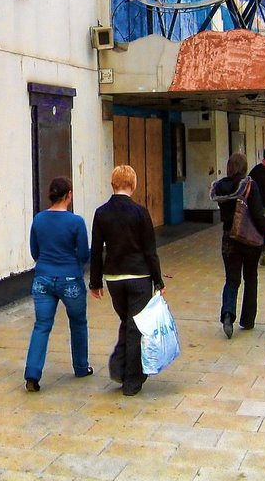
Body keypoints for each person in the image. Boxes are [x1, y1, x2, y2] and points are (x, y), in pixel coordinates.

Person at [90, 165, 165, 396]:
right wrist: (158, 280)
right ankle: (131, 379)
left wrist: (95, 282)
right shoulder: (140, 213)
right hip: (139, 276)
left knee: (127, 321)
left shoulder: (101, 213)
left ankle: (120, 365)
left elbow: (96, 251)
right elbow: (150, 250)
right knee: (135, 327)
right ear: (133, 184)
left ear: (112, 184)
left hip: (114, 278)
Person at [23, 176, 94, 392]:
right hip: (70, 279)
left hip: (42, 278)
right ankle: (81, 367)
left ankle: (32, 374)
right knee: (78, 322)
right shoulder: (76, 222)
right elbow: (83, 254)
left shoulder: (39, 219)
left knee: (42, 325)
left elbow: (35, 252)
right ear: (69, 195)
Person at [211, 153, 265, 338]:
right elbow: (257, 215)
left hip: (228, 237)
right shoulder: (249, 185)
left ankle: (227, 314)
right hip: (249, 239)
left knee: (231, 279)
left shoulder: (220, 187)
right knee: (250, 277)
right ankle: (247, 319)